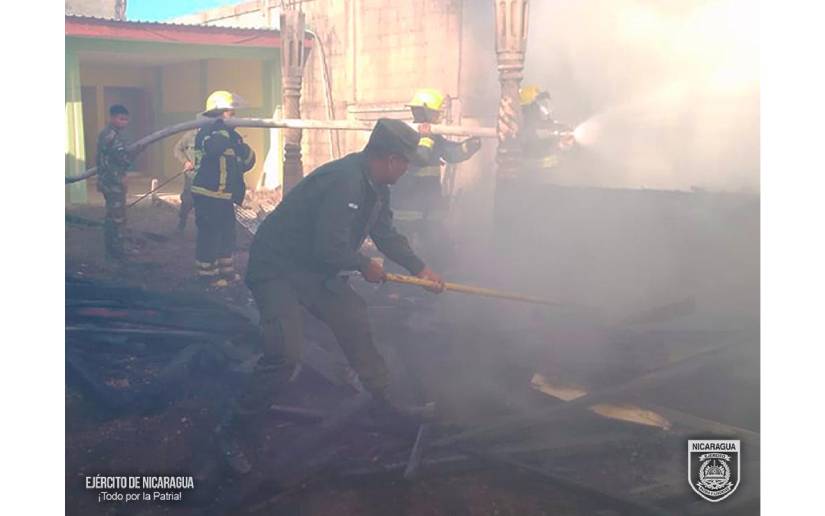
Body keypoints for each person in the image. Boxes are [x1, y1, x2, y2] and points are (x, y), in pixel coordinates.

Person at [244, 118, 446, 418]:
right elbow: (329, 248)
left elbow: (385, 233)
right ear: (391, 160)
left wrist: (419, 268)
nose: (407, 170)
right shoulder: (345, 181)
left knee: (353, 317)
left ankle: (384, 401)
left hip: (311, 266)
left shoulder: (376, 185)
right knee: (286, 353)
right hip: (277, 267)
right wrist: (364, 265)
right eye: (405, 163)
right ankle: (240, 420)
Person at [191, 91, 256, 288]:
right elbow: (214, 149)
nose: (234, 116)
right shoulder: (207, 133)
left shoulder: (232, 136)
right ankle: (207, 274)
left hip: (225, 195)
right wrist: (221, 129)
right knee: (209, 234)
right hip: (207, 194)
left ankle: (225, 269)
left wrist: (244, 149)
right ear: (217, 114)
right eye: (230, 113)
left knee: (227, 233)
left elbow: (246, 163)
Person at [393, 88, 481, 228]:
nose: (438, 116)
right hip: (407, 209)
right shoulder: (404, 136)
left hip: (430, 209)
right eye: (436, 112)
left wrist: (469, 146)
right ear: (426, 111)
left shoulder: (434, 136)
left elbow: (451, 153)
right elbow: (419, 159)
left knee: (434, 247)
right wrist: (426, 139)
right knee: (404, 247)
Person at [96, 104, 133, 261]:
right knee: (118, 218)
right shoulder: (112, 136)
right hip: (113, 181)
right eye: (120, 119)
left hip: (107, 180)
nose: (123, 122)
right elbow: (122, 160)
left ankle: (111, 250)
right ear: (112, 118)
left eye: (126, 119)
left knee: (111, 216)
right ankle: (117, 252)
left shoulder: (106, 133)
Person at [518, 85, 575, 177]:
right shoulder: (527, 133)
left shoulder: (529, 122)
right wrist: (558, 141)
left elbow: (541, 125)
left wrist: (559, 137)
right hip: (534, 170)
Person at [172, 129, 197, 233]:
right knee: (187, 200)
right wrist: (186, 162)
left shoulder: (216, 135)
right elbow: (177, 149)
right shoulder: (191, 135)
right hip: (192, 176)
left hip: (209, 177)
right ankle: (181, 223)